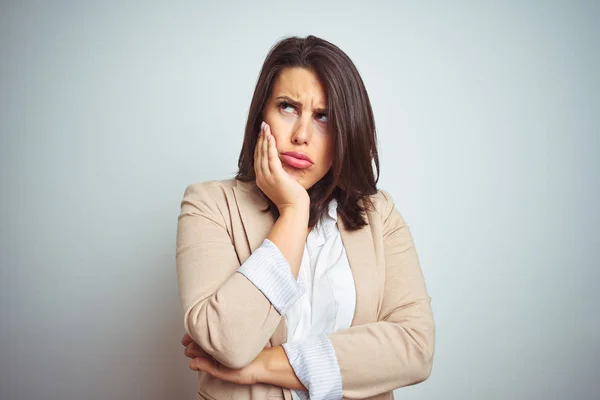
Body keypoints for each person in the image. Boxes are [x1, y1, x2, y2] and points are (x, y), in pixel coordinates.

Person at [176, 35, 435, 400]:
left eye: (323, 116)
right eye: (287, 107)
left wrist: (262, 366)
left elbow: (414, 348)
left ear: (347, 130)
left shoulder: (380, 216)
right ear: (260, 115)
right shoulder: (209, 205)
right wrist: (294, 212)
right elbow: (227, 341)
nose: (301, 135)